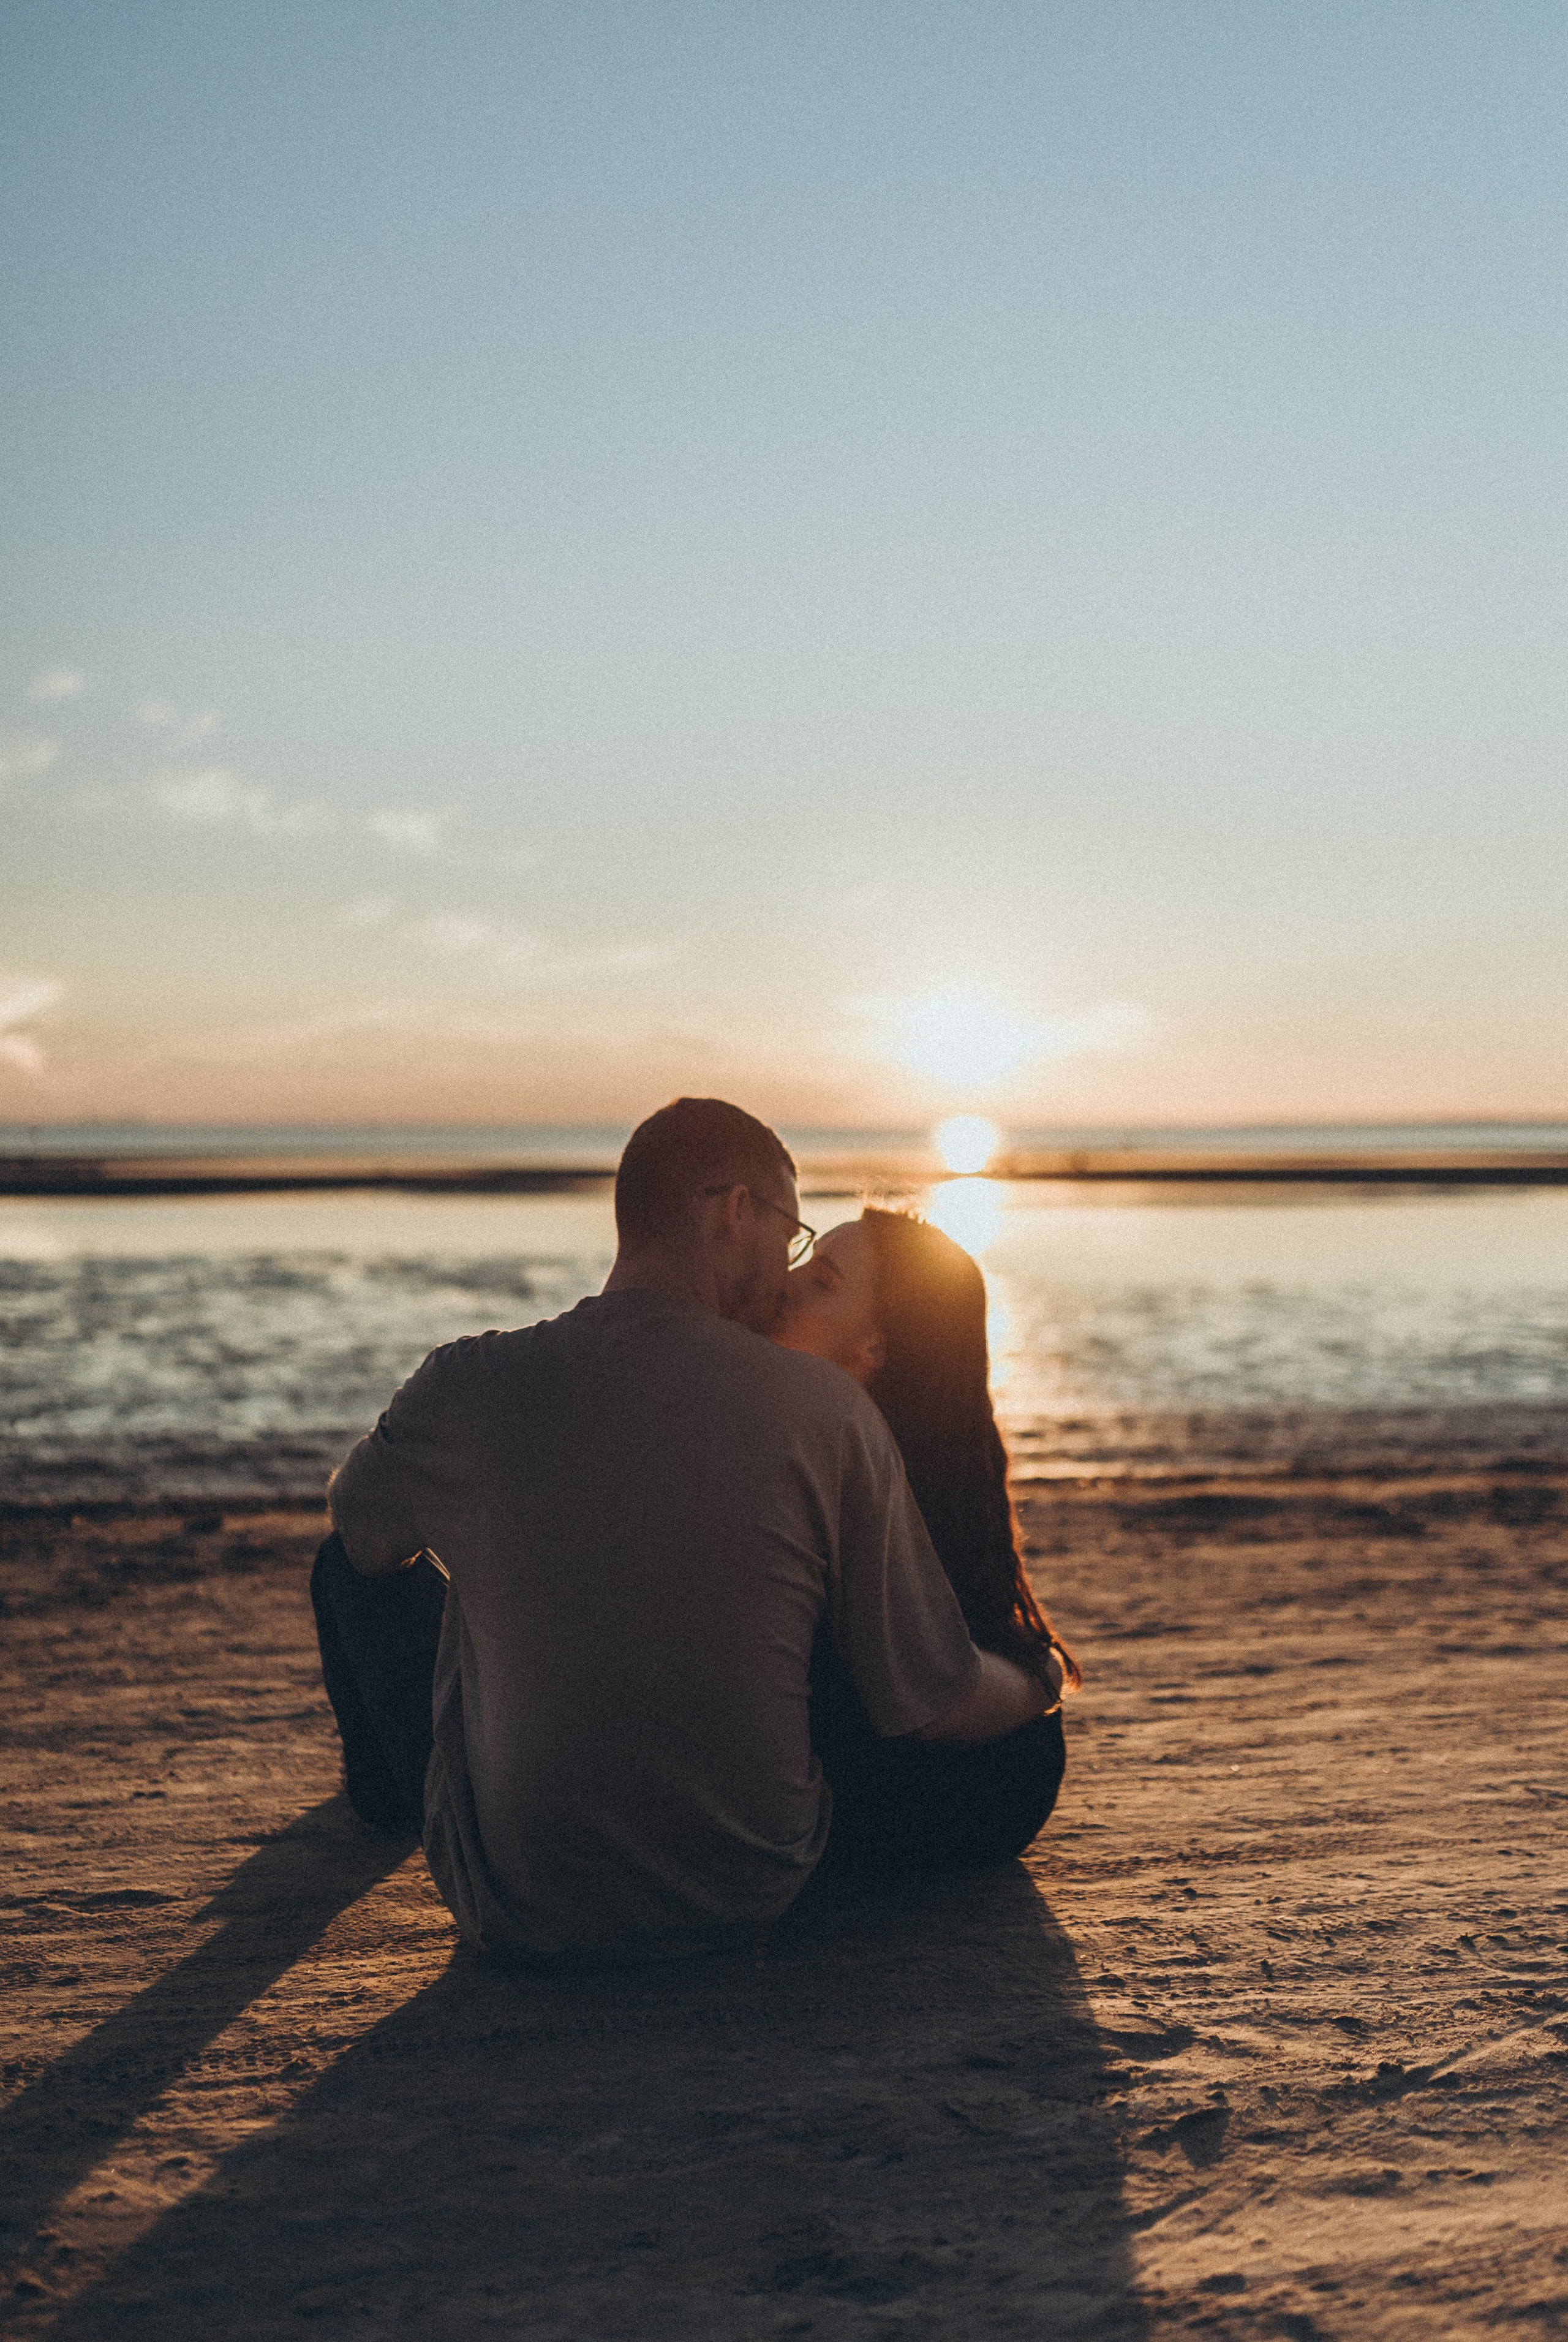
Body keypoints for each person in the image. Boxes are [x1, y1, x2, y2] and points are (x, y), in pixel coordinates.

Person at [311, 1098, 1055, 1964]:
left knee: (355, 1561)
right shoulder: (828, 1411)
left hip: (520, 1907)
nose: (785, 1270)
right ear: (735, 1210)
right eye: (791, 1233)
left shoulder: (470, 1379)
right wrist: (1038, 1677)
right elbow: (935, 1694)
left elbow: (358, 1528)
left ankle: (382, 1792)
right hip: (751, 1890)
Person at [775, 1206, 1077, 1870]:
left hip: (919, 1796)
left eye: (820, 1280)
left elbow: (936, 1705)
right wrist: (1040, 1671)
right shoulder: (813, 1439)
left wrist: (1038, 1674)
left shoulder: (862, 1473)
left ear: (875, 1348)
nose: (784, 1281)